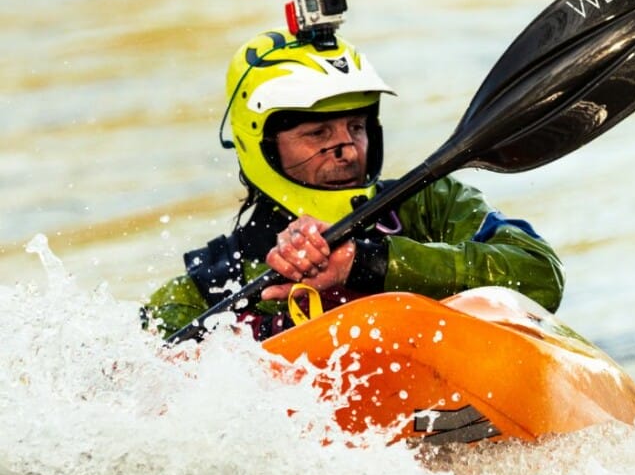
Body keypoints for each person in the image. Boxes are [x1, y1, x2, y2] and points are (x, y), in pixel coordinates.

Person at [142, 18, 564, 341]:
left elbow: (541, 276)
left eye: (356, 127)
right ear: (264, 145)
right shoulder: (213, 282)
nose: (347, 148)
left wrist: (367, 262)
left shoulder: (433, 202)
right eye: (318, 133)